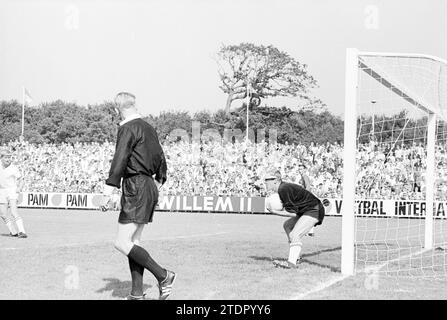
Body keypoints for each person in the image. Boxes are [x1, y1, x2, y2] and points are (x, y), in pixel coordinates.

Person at [101, 92, 175, 300]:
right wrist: (159, 178)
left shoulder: (127, 128)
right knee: (134, 242)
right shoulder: (148, 127)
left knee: (122, 243)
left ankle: (164, 275)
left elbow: (120, 159)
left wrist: (108, 190)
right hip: (149, 184)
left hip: (136, 185)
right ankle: (136, 294)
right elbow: (160, 156)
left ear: (117, 109)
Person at [264, 169, 325, 269]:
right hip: (308, 210)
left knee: (295, 234)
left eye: (267, 180)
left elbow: (292, 213)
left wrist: (274, 212)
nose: (265, 183)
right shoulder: (283, 188)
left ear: (275, 180)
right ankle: (296, 257)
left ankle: (291, 264)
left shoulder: (283, 189)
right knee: (287, 225)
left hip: (314, 210)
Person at [0, 153, 27, 238]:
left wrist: (19, 188)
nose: (8, 159)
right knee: (3, 214)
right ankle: (13, 232)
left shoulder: (13, 168)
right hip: (2, 191)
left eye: (9, 157)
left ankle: (22, 232)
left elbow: (21, 179)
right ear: (1, 158)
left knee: (13, 211)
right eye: (6, 157)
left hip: (12, 190)